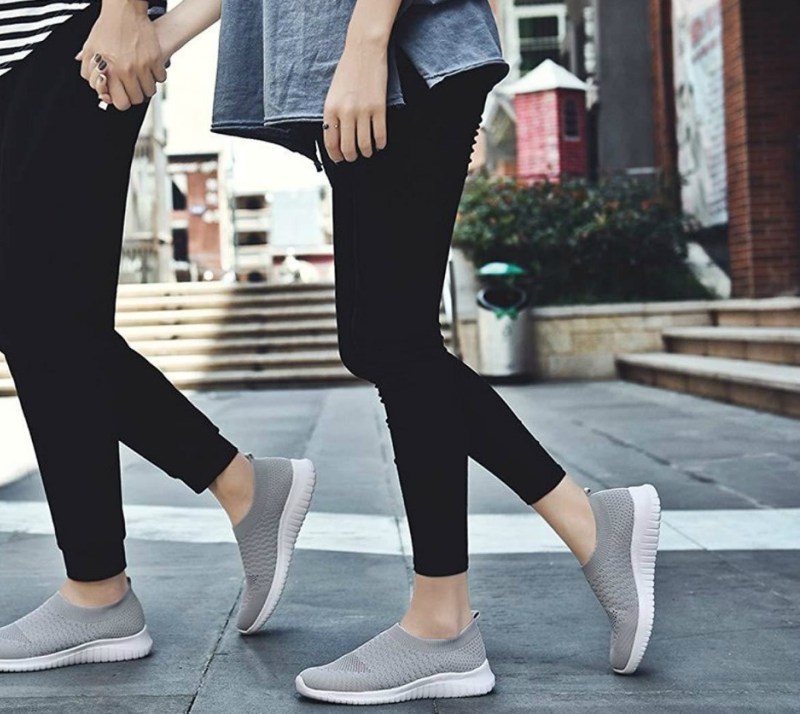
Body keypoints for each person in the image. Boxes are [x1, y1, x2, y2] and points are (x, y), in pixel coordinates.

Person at [141, 0, 663, 704]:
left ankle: (444, 621)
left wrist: (366, 38)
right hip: (361, 63)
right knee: (376, 340)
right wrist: (166, 34)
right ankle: (585, 526)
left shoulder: (375, 45)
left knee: (394, 339)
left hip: (397, 52)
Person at [0, 0, 316, 673]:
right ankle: (196, 516)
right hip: (24, 53)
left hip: (76, 35)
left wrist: (130, 12)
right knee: (34, 323)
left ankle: (108, 583)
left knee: (44, 322)